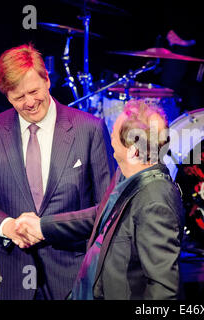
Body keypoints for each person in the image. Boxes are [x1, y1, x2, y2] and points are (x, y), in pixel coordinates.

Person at [0, 43, 115, 300]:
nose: (29, 103)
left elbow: (109, 208)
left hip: (74, 277)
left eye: (34, 91)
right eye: (18, 98)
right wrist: (7, 226)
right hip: (13, 277)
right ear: (6, 96)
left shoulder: (89, 129)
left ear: (47, 79)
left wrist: (46, 227)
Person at [14, 100, 184, 299]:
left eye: (114, 130)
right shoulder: (126, 173)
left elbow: (163, 289)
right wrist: (42, 226)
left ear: (134, 151)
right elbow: (101, 214)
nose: (110, 134)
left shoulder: (155, 202)